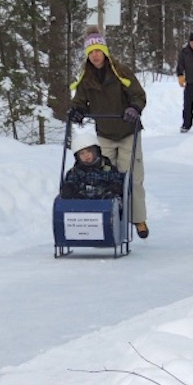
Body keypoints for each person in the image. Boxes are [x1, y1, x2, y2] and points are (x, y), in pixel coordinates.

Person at [67, 25, 150, 238]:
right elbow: (80, 101)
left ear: (104, 51)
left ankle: (138, 218)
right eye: (91, 52)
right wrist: (76, 111)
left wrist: (134, 109)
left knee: (131, 177)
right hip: (104, 133)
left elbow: (138, 95)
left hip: (127, 131)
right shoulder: (86, 77)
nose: (95, 56)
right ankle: (107, 219)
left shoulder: (120, 71)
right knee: (103, 178)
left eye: (98, 51)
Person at [60, 135, 125, 200]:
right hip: (82, 202)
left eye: (89, 151)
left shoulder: (106, 168)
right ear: (77, 157)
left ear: (96, 151)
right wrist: (68, 188)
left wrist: (114, 188)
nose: (86, 155)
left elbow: (117, 179)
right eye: (82, 153)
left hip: (104, 199)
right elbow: (71, 181)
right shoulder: (76, 172)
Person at [175, 32, 193, 133]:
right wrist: (180, 75)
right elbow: (180, 65)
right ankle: (186, 125)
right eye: (192, 43)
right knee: (187, 105)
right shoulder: (185, 52)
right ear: (189, 43)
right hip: (190, 83)